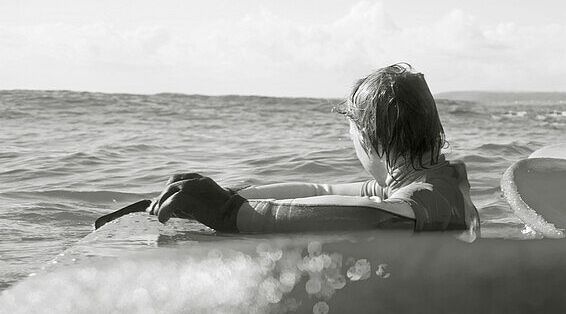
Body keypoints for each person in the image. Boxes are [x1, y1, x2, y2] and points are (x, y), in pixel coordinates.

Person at [150, 64, 480, 236]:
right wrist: (230, 196)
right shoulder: (427, 182)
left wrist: (229, 215)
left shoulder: (432, 195)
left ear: (367, 137)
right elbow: (321, 190)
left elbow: (377, 218)